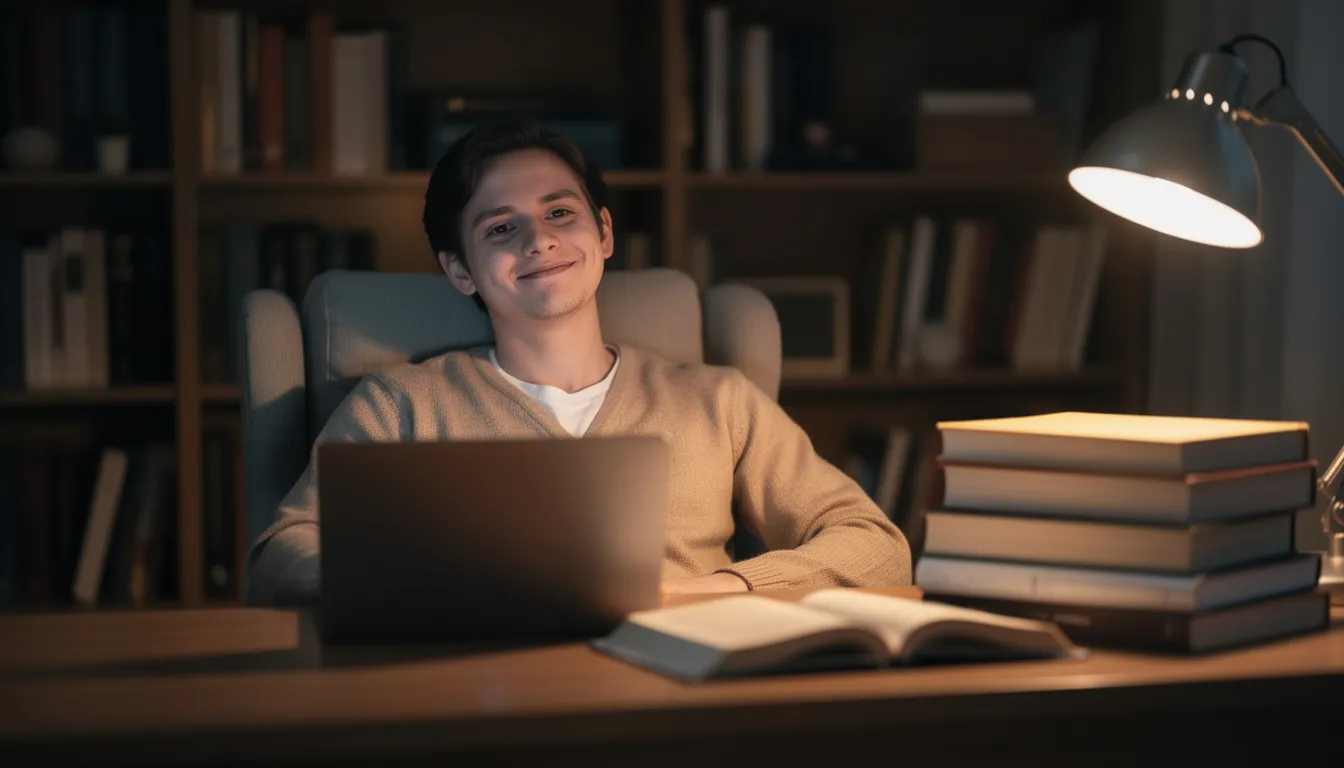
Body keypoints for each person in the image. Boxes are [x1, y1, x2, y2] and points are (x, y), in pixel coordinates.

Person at [244, 120, 912, 607]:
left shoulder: (719, 401)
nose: (539, 240)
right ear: (460, 270)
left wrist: (719, 586)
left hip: (685, 681)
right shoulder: (401, 404)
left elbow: (875, 542)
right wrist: (439, 584)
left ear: (604, 233)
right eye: (500, 228)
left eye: (560, 212)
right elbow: (283, 554)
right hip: (479, 691)